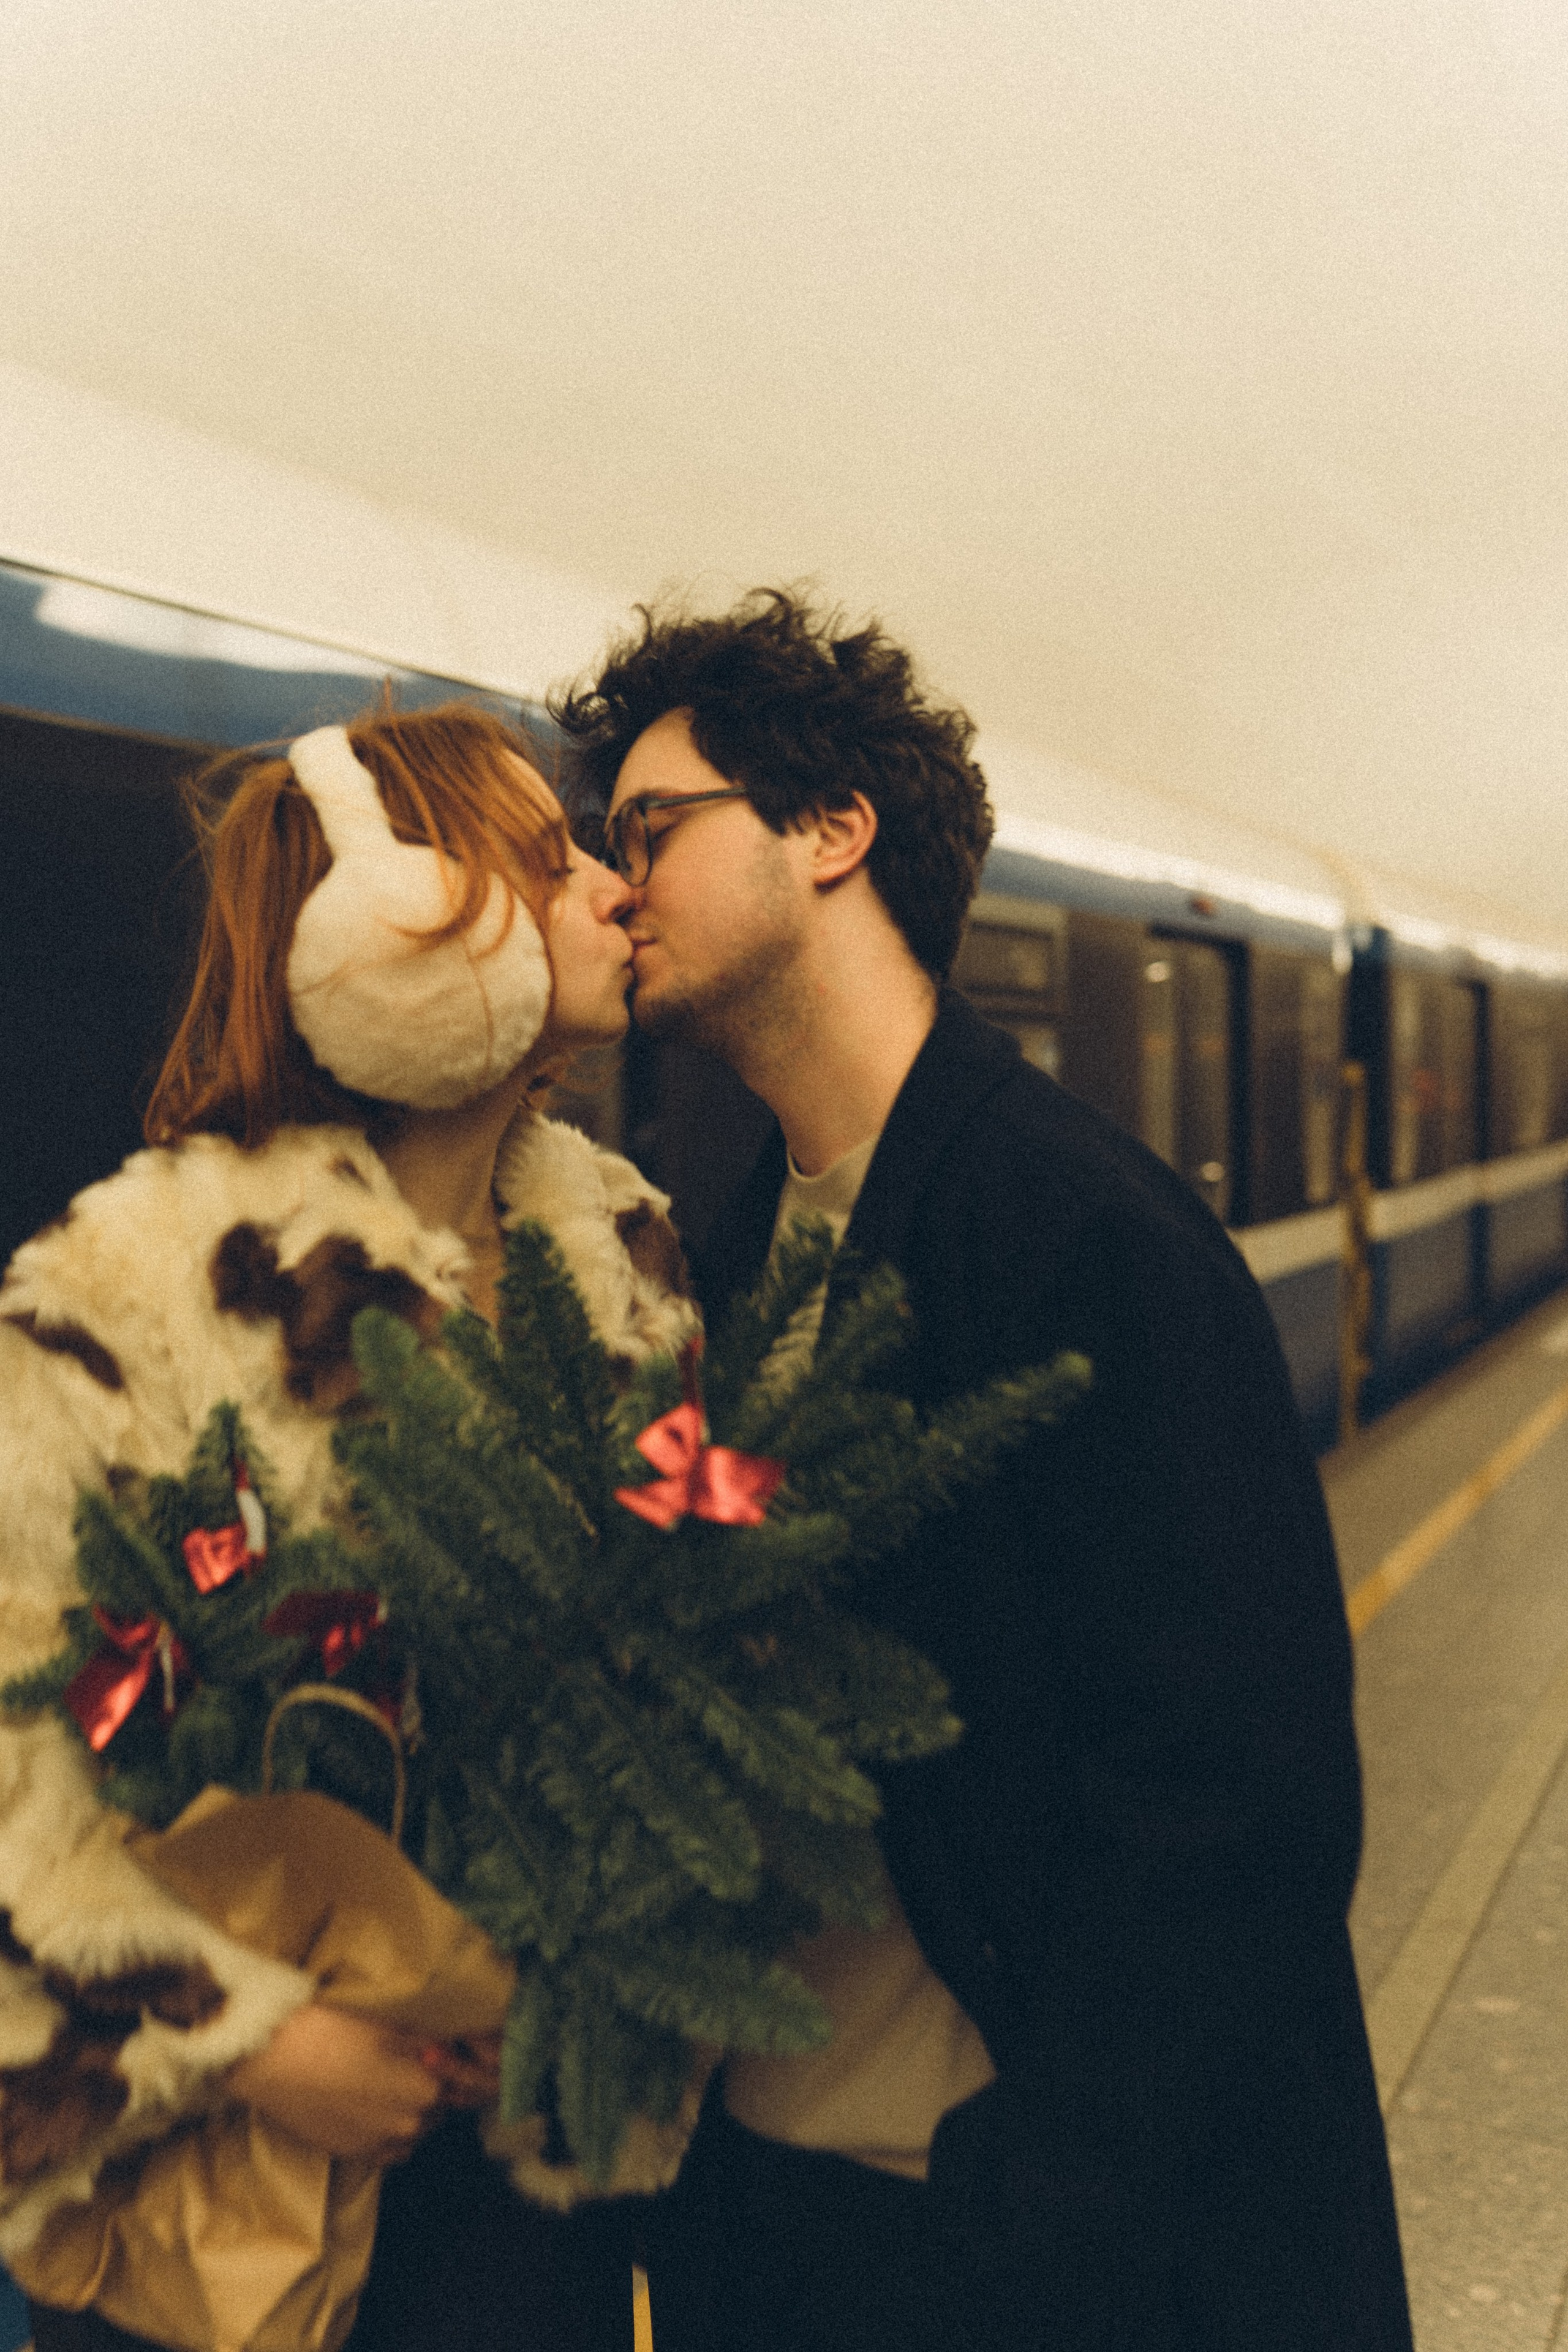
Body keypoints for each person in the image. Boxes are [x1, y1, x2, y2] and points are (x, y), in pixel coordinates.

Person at [554, 591, 1415, 2350]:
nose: (618, 883)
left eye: (653, 828)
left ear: (829, 831)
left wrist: (1040, 2204)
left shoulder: (1090, 1241)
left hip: (1008, 2240)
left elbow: (1239, 1804)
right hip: (779, 2220)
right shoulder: (728, 1251)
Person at [0, 703, 689, 2351]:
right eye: (548, 861)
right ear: (385, 931)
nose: (613, 889)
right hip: (226, 2173)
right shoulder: (129, 1283)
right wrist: (251, 2037)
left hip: (534, 2156)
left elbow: (686, 1624)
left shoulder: (623, 1255)